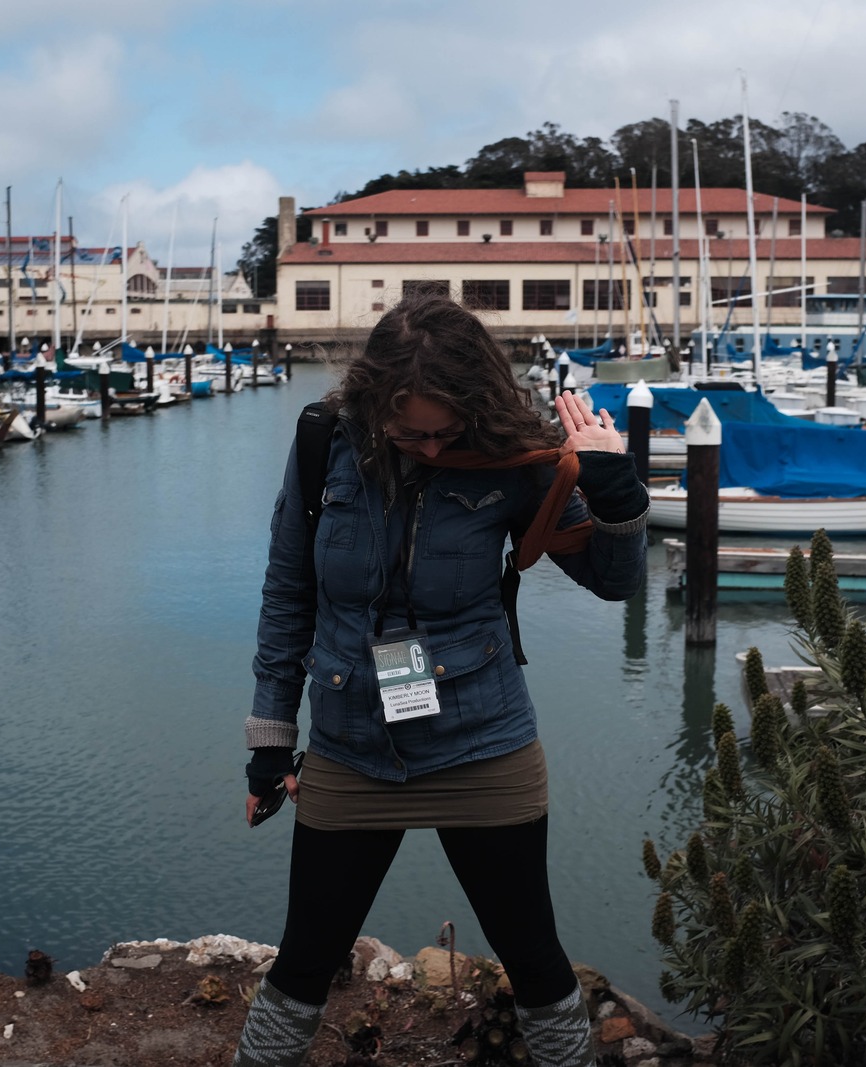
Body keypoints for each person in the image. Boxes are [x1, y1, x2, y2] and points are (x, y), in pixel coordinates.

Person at [235, 293, 649, 1067]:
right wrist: (270, 741)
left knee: (533, 955)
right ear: (372, 400)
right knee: (302, 960)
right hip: (350, 745)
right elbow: (288, 590)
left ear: (476, 405)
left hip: (482, 740)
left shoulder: (517, 455)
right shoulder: (325, 439)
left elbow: (610, 581)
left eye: (443, 432)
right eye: (408, 431)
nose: (427, 447)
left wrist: (615, 488)